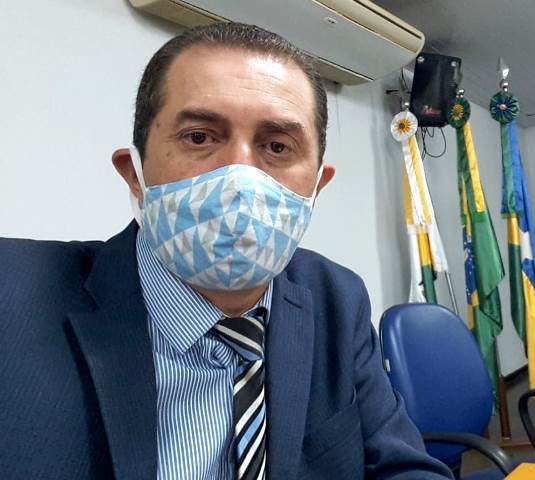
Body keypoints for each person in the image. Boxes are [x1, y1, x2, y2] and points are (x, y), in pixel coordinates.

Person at [0, 22, 453, 480]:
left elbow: (403, 467)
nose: (239, 178)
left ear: (317, 187)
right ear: (135, 174)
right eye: (199, 137)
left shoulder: (337, 298)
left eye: (277, 146)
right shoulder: (11, 296)